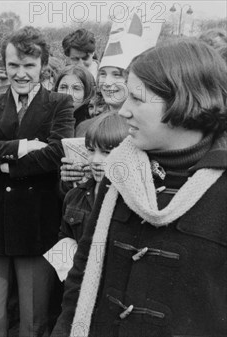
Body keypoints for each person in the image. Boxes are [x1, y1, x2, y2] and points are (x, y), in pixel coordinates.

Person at [52, 38, 227, 337]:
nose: (123, 110)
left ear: (185, 100)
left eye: (138, 98)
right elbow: (83, 270)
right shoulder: (119, 169)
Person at [0, 26, 74, 337]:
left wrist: (5, 167)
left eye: (29, 66)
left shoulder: (59, 104)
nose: (21, 74)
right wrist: (20, 147)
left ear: (43, 64)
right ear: (3, 64)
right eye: (13, 65)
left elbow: (57, 153)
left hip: (37, 223)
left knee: (33, 315)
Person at [45, 113, 129, 282]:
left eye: (106, 152)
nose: (96, 160)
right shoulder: (75, 196)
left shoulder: (134, 202)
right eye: (91, 150)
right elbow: (66, 238)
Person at [54, 65, 97, 130]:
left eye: (76, 88)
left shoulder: (92, 126)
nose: (68, 93)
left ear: (88, 93)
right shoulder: (47, 119)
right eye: (63, 87)